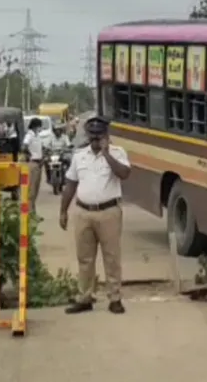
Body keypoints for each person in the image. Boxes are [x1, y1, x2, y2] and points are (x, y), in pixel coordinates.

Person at [60, 116, 131, 314]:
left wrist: (107, 154)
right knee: (85, 258)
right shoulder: (79, 155)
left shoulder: (118, 153)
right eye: (92, 135)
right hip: (83, 212)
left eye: (99, 136)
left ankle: (115, 298)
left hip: (109, 212)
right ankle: (85, 297)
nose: (95, 139)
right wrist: (63, 211)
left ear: (106, 136)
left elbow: (124, 174)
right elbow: (71, 184)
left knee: (112, 257)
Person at [23, 117, 44, 209]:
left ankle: (33, 209)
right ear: (36, 126)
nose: (41, 128)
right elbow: (24, 146)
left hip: (38, 163)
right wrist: (29, 155)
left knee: (36, 188)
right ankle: (29, 211)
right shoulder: (29, 135)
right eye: (40, 126)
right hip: (32, 163)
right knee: (31, 189)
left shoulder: (37, 135)